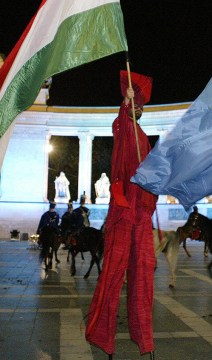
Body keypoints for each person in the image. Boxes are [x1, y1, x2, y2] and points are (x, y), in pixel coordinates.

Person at [86, 76, 158, 358]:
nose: (136, 111)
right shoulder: (126, 129)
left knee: (143, 280)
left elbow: (150, 177)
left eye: (139, 108)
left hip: (141, 215)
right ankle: (104, 338)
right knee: (112, 275)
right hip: (123, 213)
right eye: (134, 107)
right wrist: (125, 101)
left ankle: (146, 341)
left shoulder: (143, 138)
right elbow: (119, 126)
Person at [36, 202, 60, 268]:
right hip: (53, 230)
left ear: (50, 207)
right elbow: (57, 223)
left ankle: (40, 243)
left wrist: (38, 231)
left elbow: (41, 224)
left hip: (46, 230)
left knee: (43, 239)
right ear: (54, 207)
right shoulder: (57, 215)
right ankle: (57, 245)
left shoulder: (45, 215)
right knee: (58, 236)